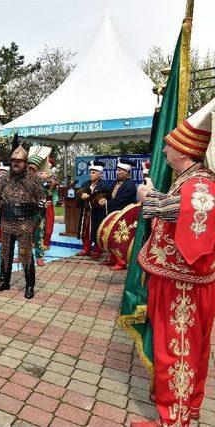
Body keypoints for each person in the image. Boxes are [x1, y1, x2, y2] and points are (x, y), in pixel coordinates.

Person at [131, 98, 215, 427]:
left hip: (183, 283)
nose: (164, 152)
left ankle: (173, 419)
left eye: (167, 147)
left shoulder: (200, 183)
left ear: (182, 151)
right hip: (181, 278)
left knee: (177, 349)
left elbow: (191, 212)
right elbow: (179, 206)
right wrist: (156, 196)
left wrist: (148, 200)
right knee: (190, 348)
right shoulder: (192, 181)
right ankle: (187, 406)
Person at [0, 145, 44, 299]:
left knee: (25, 254)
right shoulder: (5, 179)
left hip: (25, 222)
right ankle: (4, 281)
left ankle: (29, 286)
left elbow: (41, 202)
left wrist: (36, 221)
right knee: (5, 253)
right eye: (13, 161)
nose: (15, 164)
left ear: (25, 162)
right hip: (6, 221)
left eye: (19, 161)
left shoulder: (33, 180)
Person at [101, 157, 137, 270]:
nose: (117, 172)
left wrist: (107, 203)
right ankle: (112, 259)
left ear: (127, 172)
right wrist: (102, 199)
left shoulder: (130, 185)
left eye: (120, 170)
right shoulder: (115, 183)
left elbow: (121, 201)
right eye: (117, 170)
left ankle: (121, 262)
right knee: (111, 237)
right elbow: (108, 194)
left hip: (124, 216)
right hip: (114, 213)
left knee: (119, 239)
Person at [75, 161, 111, 259]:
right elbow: (78, 195)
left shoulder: (105, 185)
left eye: (93, 172)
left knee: (97, 230)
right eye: (90, 172)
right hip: (86, 212)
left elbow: (106, 196)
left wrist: (97, 198)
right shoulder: (85, 184)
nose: (91, 174)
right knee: (85, 230)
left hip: (97, 213)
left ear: (99, 174)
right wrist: (81, 195)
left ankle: (97, 250)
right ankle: (86, 249)